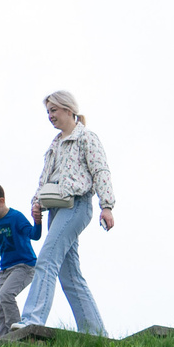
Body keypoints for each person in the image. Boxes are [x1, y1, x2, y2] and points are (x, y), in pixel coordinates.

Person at [23, 89, 116, 334]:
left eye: (53, 110)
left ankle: (31, 319)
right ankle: (96, 334)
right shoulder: (54, 145)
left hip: (77, 205)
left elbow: (101, 171)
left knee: (46, 259)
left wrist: (106, 206)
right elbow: (46, 179)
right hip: (55, 210)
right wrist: (36, 202)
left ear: (68, 110)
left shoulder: (87, 138)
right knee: (70, 276)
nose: (50, 116)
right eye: (48, 112)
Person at [0, 181, 41, 337]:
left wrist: (37, 222)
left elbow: (35, 235)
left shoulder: (16, 217)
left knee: (6, 295)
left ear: (1, 201)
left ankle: (18, 335)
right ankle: (3, 341)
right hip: (5, 270)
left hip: (24, 266)